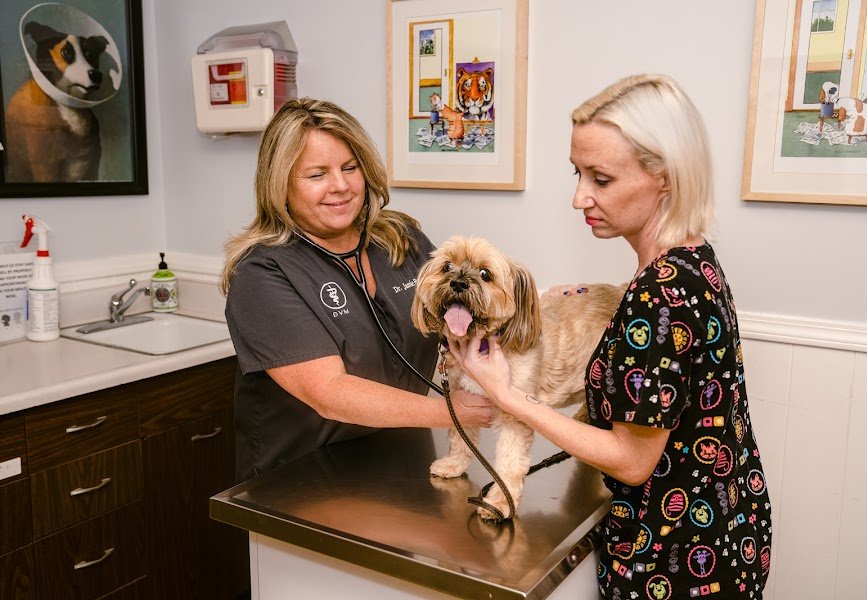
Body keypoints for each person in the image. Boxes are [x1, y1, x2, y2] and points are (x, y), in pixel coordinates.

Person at [447, 74, 772, 599]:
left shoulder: (659, 295)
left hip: (674, 560)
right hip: (729, 527)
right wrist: (589, 298)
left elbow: (631, 461)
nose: (580, 197)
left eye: (601, 179)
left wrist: (507, 395)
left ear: (664, 178)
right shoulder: (691, 262)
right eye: (577, 173)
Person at [221, 97, 492, 483]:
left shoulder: (400, 240)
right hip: (300, 481)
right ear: (280, 185)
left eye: (350, 168)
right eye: (317, 175)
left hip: (401, 456)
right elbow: (328, 392)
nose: (341, 186)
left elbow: (461, 314)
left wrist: (538, 307)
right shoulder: (262, 274)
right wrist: (452, 411)